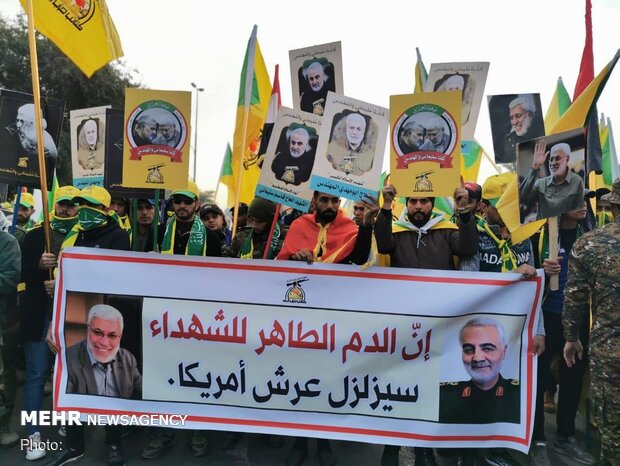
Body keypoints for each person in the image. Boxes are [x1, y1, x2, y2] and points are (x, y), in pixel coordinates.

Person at [374, 184, 478, 466]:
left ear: (433, 204)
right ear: (406, 204)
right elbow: (383, 245)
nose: (418, 207)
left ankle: (424, 448)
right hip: (403, 324)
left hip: (438, 325)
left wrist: (465, 213)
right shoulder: (396, 229)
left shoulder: (446, 229)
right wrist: (386, 205)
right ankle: (391, 446)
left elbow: (468, 247)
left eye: (424, 202)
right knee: (397, 383)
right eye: (414, 202)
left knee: (430, 388)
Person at [277, 190, 373, 466]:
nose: (330, 206)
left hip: (333, 318)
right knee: (298, 379)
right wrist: (295, 257)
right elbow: (280, 264)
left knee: (328, 380)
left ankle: (323, 441)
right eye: (324, 201)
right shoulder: (298, 225)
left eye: (334, 201)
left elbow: (359, 257)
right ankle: (297, 441)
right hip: (300, 317)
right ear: (314, 202)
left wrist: (366, 226)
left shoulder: (350, 227)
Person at [143, 182, 220, 460]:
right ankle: (164, 432)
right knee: (164, 375)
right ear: (172, 204)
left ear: (196, 204)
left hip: (198, 318)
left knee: (198, 373)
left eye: (187, 202)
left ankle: (197, 430)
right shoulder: (160, 232)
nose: (182, 207)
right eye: (177, 202)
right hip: (163, 317)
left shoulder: (211, 237)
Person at [530, 195, 597, 466]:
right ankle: (537, 440)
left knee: (572, 379)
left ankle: (566, 436)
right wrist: (540, 271)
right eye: (576, 199)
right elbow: (519, 270)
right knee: (539, 378)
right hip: (546, 318)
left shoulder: (592, 237)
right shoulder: (539, 236)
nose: (583, 204)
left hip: (578, 319)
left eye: (586, 199)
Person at [563, 177, 620, 466]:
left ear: (612, 207)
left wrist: (571, 338)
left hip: (609, 354)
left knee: (613, 432)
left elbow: (574, 298)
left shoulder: (591, 244)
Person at [20, 185, 79, 460]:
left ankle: (68, 423)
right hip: (40, 316)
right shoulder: (34, 236)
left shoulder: (84, 237)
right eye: (62, 203)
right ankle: (33, 433)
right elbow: (18, 273)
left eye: (72, 204)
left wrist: (64, 284)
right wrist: (37, 266)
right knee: (36, 375)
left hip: (72, 317)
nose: (66, 208)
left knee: (71, 374)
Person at [44, 305, 141, 466]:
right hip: (78, 411)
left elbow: (141, 387)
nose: (104, 342)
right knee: (70, 395)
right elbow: (63, 399)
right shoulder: (70, 358)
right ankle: (74, 447)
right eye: (97, 332)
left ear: (120, 336)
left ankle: (113, 443)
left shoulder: (127, 359)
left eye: (112, 335)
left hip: (114, 414)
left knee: (116, 393)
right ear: (88, 329)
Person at [439, 318, 520, 424]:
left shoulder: (520, 394)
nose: (477, 358)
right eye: (468, 350)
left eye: (487, 348)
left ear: (504, 352)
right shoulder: (445, 396)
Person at [520, 140, 585, 219]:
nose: (553, 163)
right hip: (545, 229)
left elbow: (581, 212)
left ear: (567, 159)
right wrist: (535, 167)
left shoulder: (577, 181)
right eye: (551, 159)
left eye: (557, 158)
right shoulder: (541, 184)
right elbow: (523, 198)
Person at [0, 229, 20, 449]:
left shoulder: (7, 242)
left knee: (3, 375)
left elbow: (9, 279)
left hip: (3, 320)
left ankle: (2, 425)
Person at [4, 103, 58, 170]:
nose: (18, 125)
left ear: (32, 123)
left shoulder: (45, 139)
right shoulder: (11, 130)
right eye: (17, 120)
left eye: (22, 121)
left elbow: (54, 158)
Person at [501, 95, 544, 163]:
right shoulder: (510, 139)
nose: (514, 122)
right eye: (511, 118)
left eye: (518, 116)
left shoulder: (543, 130)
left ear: (530, 115)